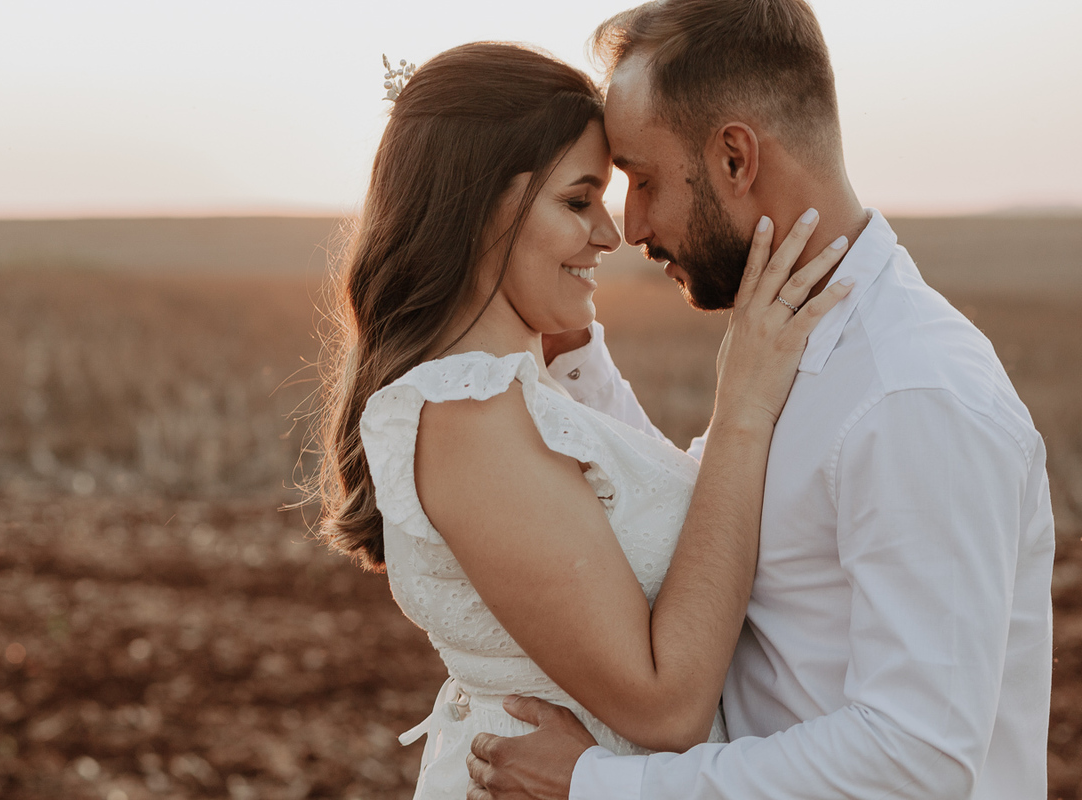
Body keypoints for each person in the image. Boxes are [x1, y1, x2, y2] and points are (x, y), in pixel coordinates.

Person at [465, 2, 1056, 799]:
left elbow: (917, 761)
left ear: (735, 159)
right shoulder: (790, 340)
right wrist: (575, 353)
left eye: (642, 179)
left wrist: (602, 787)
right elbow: (695, 522)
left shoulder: (912, 395)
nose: (631, 224)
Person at [314, 41, 853, 797]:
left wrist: (576, 358)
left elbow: (641, 522)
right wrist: (742, 409)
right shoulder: (470, 419)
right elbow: (664, 706)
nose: (611, 233)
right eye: (578, 201)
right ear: (480, 212)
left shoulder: (511, 397)